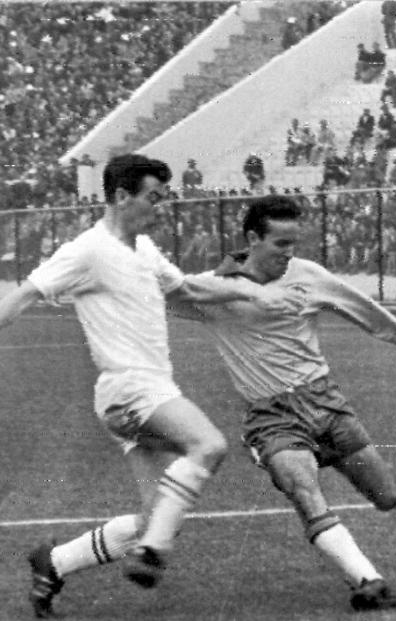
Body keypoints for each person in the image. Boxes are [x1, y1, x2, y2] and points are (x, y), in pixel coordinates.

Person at [7, 155, 302, 618]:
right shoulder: (89, 250)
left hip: (140, 393)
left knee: (157, 515)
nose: (160, 208)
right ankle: (151, 553)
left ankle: (55, 562)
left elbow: (187, 290)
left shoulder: (143, 249)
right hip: (130, 388)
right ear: (122, 197)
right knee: (208, 445)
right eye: (153, 198)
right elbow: (26, 293)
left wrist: (247, 289)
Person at [170, 196, 396, 611]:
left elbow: (366, 311)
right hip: (272, 417)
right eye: (281, 244)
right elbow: (165, 291)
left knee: (388, 497)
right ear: (252, 238)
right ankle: (367, 581)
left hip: (326, 404)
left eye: (294, 244)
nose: (289, 254)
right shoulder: (215, 289)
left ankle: (348, 536)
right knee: (305, 492)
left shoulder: (308, 275)